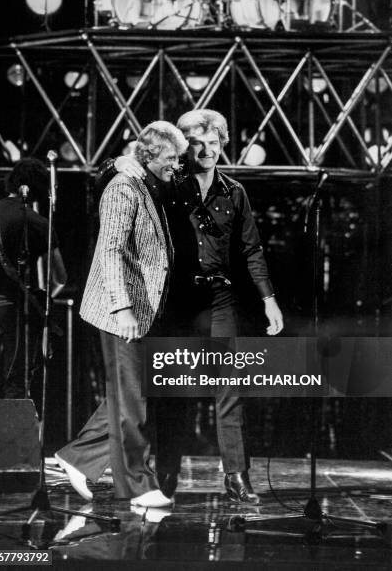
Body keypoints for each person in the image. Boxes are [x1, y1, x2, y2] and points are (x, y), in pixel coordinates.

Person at [56, 109, 283, 504]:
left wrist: (269, 299)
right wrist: (117, 162)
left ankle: (236, 474)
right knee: (155, 385)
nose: (206, 151)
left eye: (214, 143)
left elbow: (252, 249)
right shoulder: (166, 183)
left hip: (219, 298)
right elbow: (116, 187)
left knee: (228, 383)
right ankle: (152, 470)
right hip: (172, 299)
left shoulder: (235, 192)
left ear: (224, 146)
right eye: (197, 144)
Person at [56, 121, 187, 508]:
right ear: (148, 155)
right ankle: (136, 485)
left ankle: (78, 458)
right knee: (134, 401)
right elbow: (110, 250)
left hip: (141, 310)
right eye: (172, 157)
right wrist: (123, 307)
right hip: (121, 312)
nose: (177, 164)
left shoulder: (147, 185)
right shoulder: (123, 188)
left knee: (129, 394)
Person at [0, 158, 67, 399]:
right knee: (16, 381)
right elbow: (60, 278)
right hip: (14, 308)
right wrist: (41, 299)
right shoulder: (38, 223)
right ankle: (10, 436)